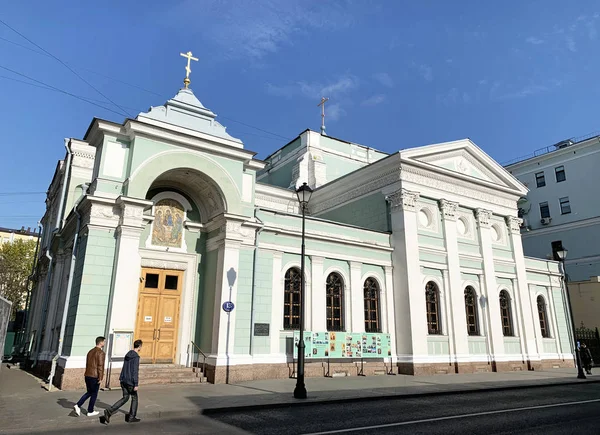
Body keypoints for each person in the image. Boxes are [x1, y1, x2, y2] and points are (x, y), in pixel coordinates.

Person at [104, 339, 142, 424]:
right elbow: (135, 371)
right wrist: (136, 383)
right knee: (134, 398)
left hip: (123, 380)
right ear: (139, 347)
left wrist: (121, 378)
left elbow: (124, 367)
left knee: (125, 397)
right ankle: (131, 417)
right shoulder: (136, 357)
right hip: (130, 382)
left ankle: (109, 411)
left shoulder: (127, 354)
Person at [74, 336, 105, 417]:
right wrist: (100, 377)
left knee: (89, 392)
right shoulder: (101, 353)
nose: (104, 343)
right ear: (101, 342)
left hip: (87, 375)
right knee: (94, 393)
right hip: (95, 376)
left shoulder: (90, 352)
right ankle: (89, 410)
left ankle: (78, 405)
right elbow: (100, 366)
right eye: (104, 342)